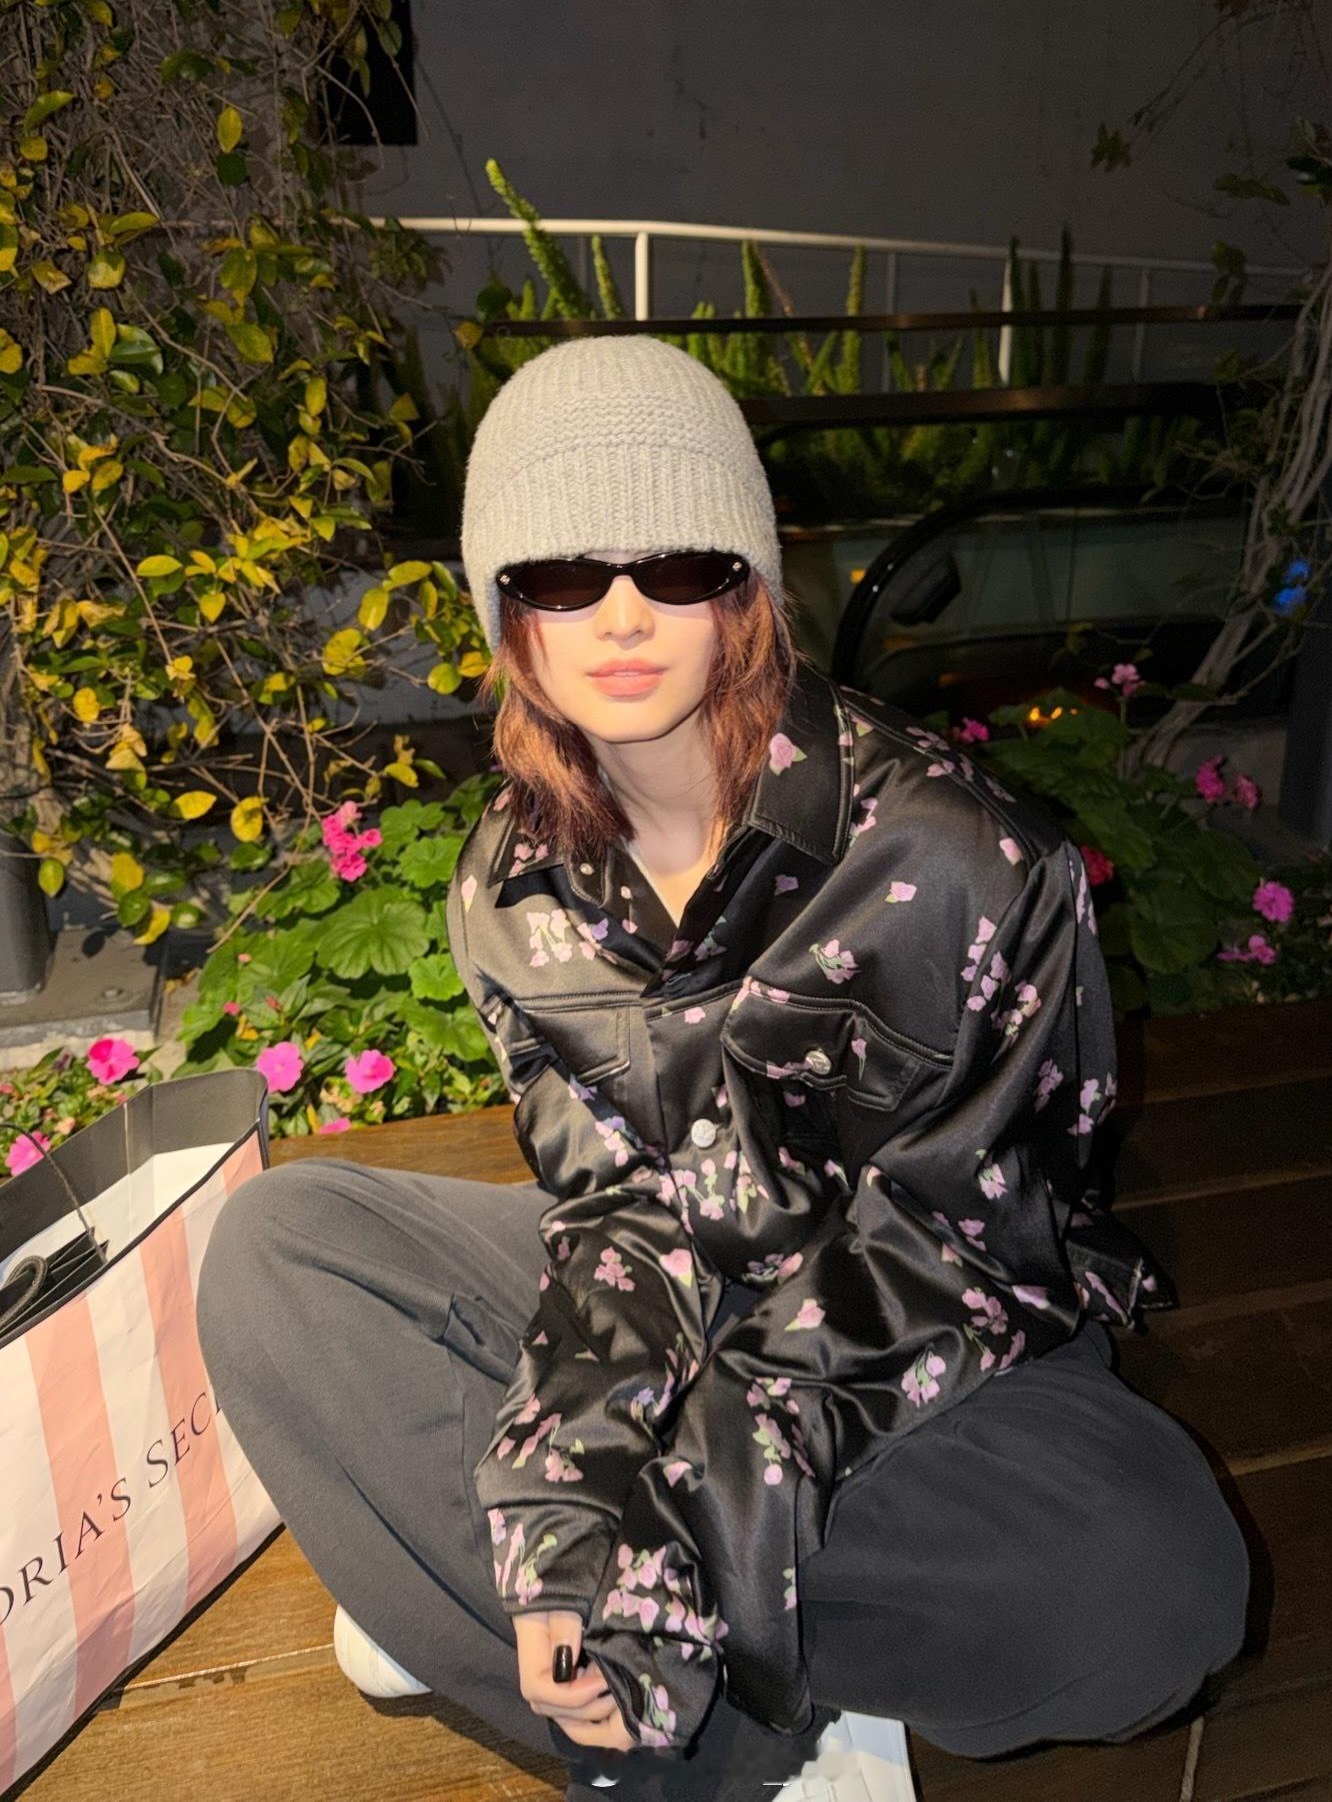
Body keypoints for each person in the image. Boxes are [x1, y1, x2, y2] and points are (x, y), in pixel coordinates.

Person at [195, 335, 1250, 1802]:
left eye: (676, 565)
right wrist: (569, 1490)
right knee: (280, 1245)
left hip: (912, 1339)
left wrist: (683, 1523)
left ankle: (540, 1613)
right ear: (507, 612)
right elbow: (616, 1213)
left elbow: (962, 1250)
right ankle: (706, 1686)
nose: (622, 616)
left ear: (746, 586)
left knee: (1160, 1588)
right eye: (563, 575)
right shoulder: (509, 882)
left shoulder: (964, 857)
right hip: (679, 1281)